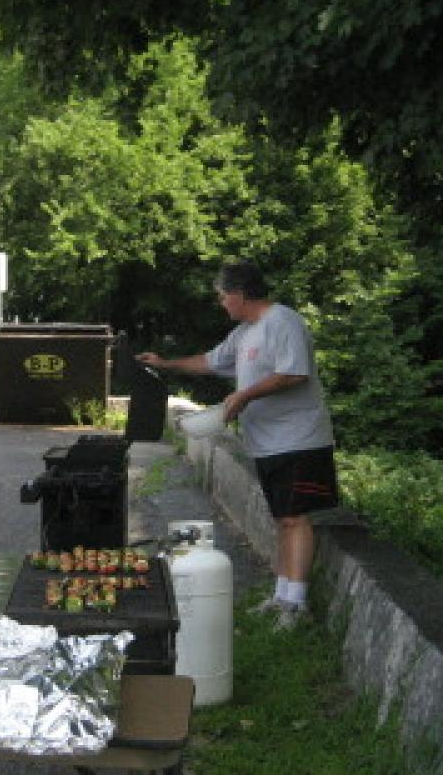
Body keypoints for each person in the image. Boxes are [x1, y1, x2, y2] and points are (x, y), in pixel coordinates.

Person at [138, 261, 337, 630]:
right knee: (283, 519)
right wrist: (165, 364)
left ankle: (296, 605)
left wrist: (245, 395)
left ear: (240, 294)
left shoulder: (283, 321)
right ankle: (282, 596)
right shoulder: (245, 333)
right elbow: (209, 362)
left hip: (299, 439)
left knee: (296, 518)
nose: (221, 303)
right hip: (268, 443)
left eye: (223, 295)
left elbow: (294, 373)